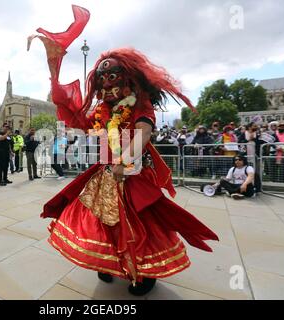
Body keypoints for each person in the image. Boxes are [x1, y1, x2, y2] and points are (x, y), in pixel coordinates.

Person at [29, 5, 218, 296]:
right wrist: (57, 87)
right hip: (104, 173)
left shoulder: (140, 104)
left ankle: (144, 275)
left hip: (133, 174)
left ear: (127, 76)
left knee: (140, 224)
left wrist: (125, 159)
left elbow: (143, 133)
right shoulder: (101, 110)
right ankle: (107, 262)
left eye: (113, 75)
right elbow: (81, 123)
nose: (106, 81)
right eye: (102, 78)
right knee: (98, 219)